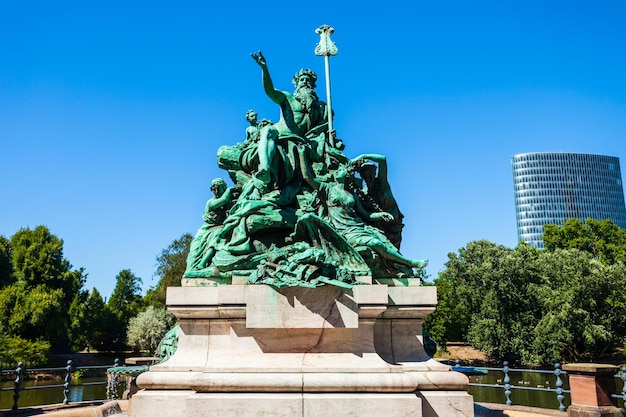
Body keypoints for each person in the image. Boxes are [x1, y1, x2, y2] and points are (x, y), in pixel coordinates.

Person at [297, 145, 427, 270]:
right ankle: (410, 262)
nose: (338, 171)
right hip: (345, 231)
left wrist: (380, 215)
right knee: (375, 243)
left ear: (348, 174)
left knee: (386, 243)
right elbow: (307, 177)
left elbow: (365, 214)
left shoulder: (353, 194)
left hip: (360, 227)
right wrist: (302, 155)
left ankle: (404, 265)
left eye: (341, 169)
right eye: (337, 170)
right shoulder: (327, 189)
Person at [250, 50, 331, 185]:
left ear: (313, 85)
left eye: (308, 80)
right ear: (296, 83)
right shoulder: (288, 98)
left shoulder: (321, 108)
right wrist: (264, 68)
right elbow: (270, 91)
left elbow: (322, 127)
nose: (305, 82)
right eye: (301, 80)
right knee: (268, 130)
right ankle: (264, 168)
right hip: (281, 133)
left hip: (301, 140)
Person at [350, 154, 405, 249]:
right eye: (365, 173)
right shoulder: (364, 193)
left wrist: (363, 156)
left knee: (394, 251)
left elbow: (382, 159)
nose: (369, 176)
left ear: (375, 172)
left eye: (371, 172)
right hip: (381, 225)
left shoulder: (382, 183)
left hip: (394, 225)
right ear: (362, 176)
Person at [184, 178, 236, 275]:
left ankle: (203, 264)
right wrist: (230, 190)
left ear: (223, 187)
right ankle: (191, 269)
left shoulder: (229, 201)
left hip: (219, 228)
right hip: (207, 228)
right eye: (213, 189)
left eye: (218, 188)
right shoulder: (211, 202)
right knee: (194, 249)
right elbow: (223, 200)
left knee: (218, 236)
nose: (216, 191)